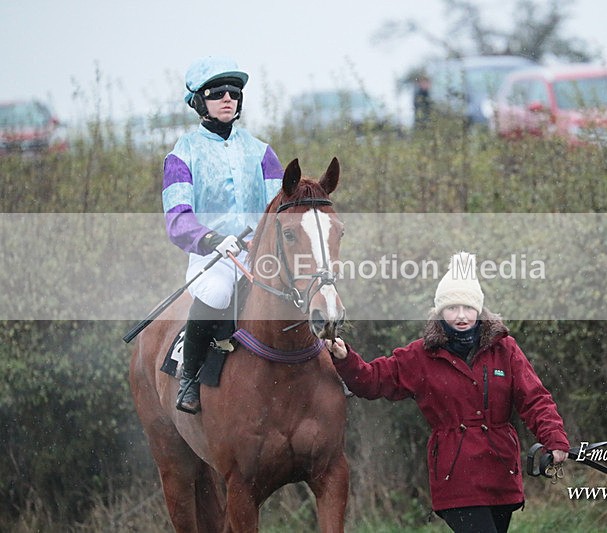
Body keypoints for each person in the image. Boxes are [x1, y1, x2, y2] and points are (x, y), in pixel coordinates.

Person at [325, 251, 569, 533]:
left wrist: (555, 439)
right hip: (456, 478)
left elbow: (535, 399)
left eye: (468, 307)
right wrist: (345, 358)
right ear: (440, 311)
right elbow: (371, 380)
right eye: (453, 308)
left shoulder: (506, 349)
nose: (462, 316)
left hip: (502, 473)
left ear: (479, 309)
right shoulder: (420, 355)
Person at [162, 55, 283, 414]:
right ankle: (189, 376)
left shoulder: (262, 152)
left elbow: (276, 210)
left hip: (257, 253)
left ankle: (328, 363)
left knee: (301, 286)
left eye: (233, 92)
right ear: (199, 102)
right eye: (217, 94)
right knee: (217, 291)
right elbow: (177, 218)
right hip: (211, 255)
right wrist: (213, 239)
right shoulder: (181, 155)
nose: (227, 99)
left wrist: (263, 243)